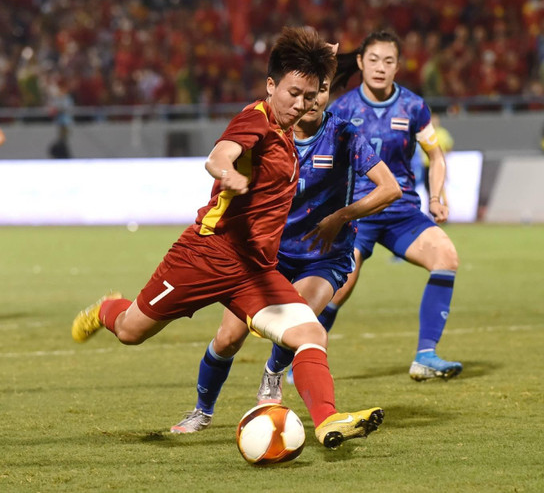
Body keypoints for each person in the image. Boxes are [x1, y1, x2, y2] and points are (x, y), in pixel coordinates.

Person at [71, 27, 383, 450]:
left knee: (311, 334)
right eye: (293, 93)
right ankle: (108, 308)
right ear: (271, 86)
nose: (300, 104)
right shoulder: (256, 118)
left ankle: (328, 420)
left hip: (255, 270)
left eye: (309, 96)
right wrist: (227, 172)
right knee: (131, 331)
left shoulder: (292, 136)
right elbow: (219, 155)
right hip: (205, 255)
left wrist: (321, 56)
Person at [170, 71, 402, 433]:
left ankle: (273, 372)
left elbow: (390, 188)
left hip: (324, 255)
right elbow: (224, 157)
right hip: (267, 256)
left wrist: (341, 216)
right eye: (307, 92)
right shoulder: (268, 131)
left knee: (301, 317)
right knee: (228, 338)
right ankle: (202, 410)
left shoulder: (344, 134)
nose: (313, 100)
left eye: (322, 91)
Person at [321, 30, 463, 381]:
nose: (380, 67)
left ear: (398, 66)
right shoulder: (342, 109)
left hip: (401, 212)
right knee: (339, 286)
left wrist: (435, 197)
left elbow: (436, 155)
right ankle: (301, 357)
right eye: (373, 60)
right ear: (360, 62)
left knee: (446, 257)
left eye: (388, 61)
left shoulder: (413, 107)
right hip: (358, 213)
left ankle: (426, 356)